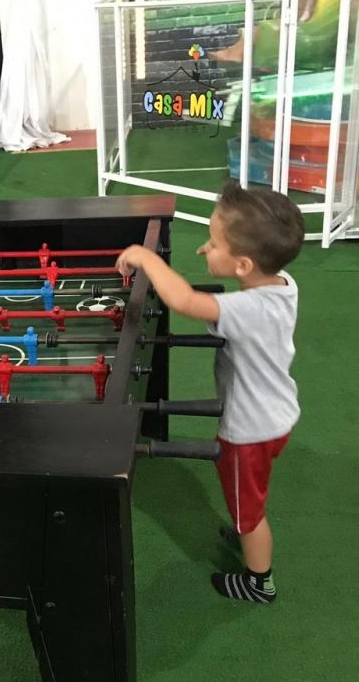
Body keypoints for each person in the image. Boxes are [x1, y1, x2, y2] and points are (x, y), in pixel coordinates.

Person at [116, 182, 304, 603]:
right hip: (278, 415)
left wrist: (145, 256)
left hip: (249, 432)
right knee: (248, 498)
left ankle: (259, 582)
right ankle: (245, 524)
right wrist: (220, 250)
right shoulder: (281, 284)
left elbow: (184, 300)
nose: (205, 249)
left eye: (213, 244)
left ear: (243, 264)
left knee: (249, 514)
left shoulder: (247, 310)